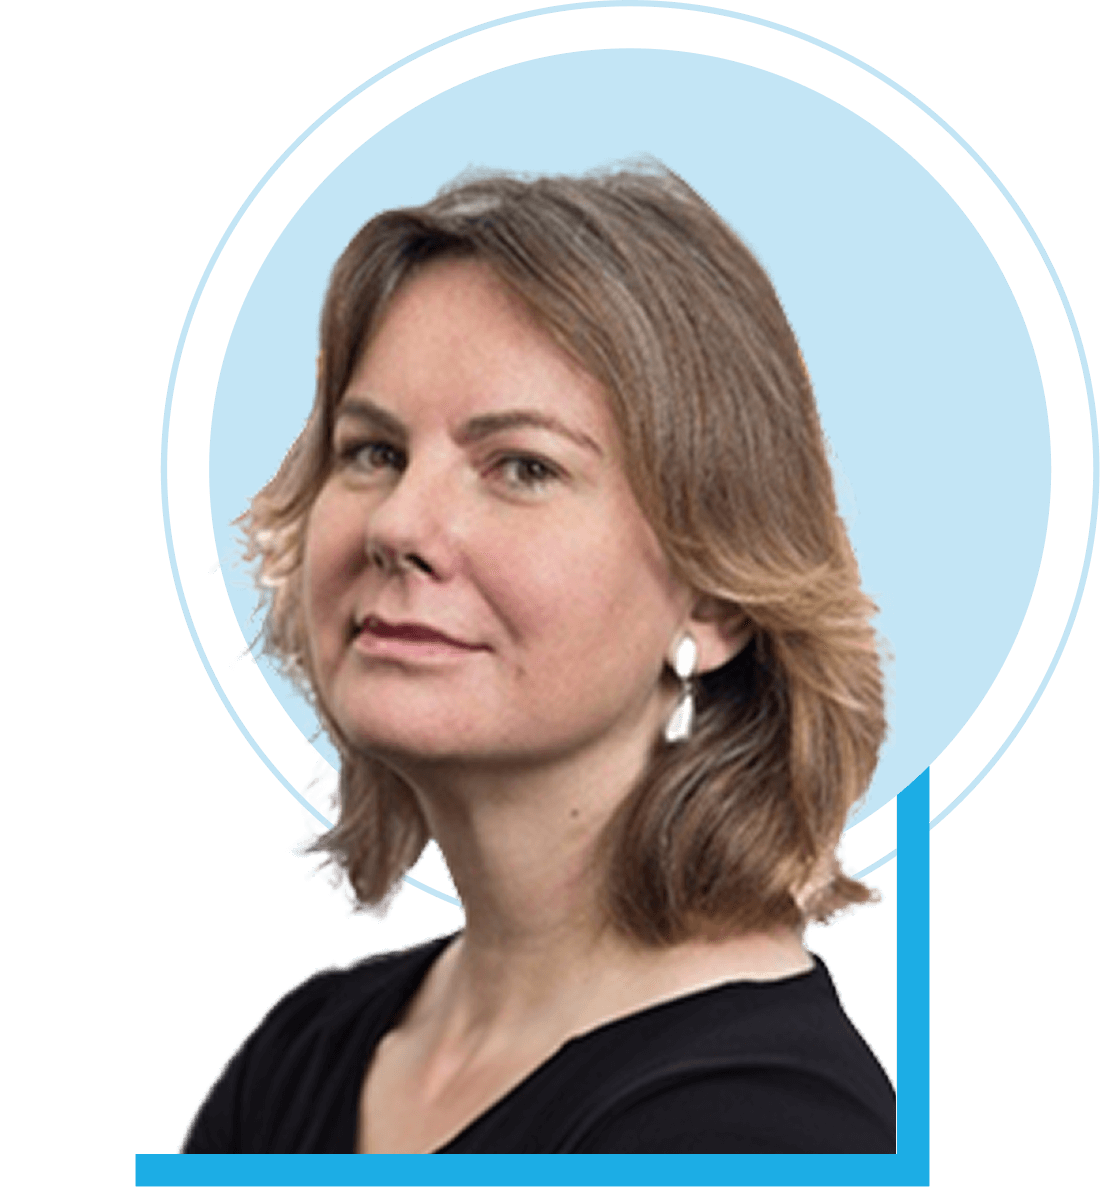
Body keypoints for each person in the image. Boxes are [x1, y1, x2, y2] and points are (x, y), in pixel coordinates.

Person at [179, 161, 895, 1154]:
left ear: (716, 597)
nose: (397, 524)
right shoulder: (302, 1051)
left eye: (521, 466)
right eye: (373, 451)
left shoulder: (765, 1134)